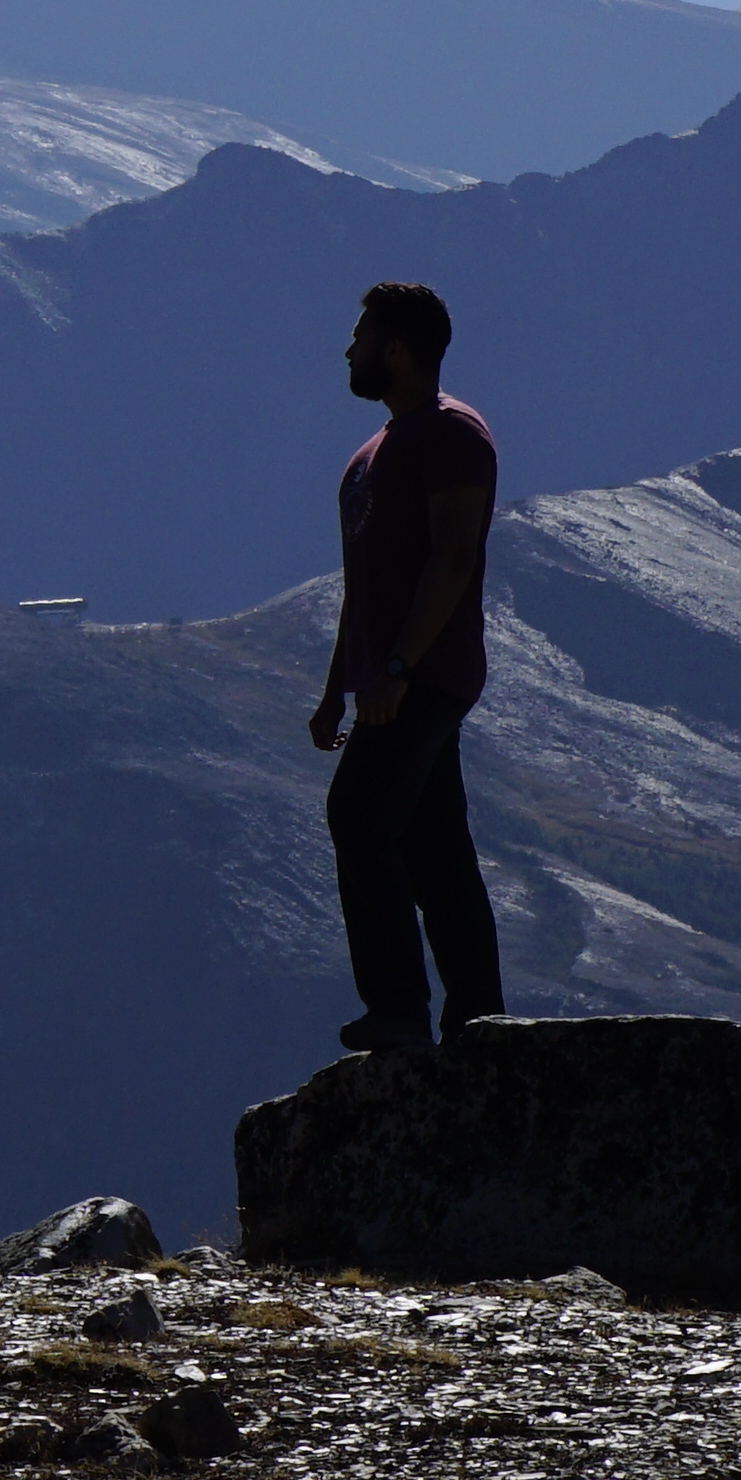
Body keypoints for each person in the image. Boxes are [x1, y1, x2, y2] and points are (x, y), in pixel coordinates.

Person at [308, 276, 503, 1056]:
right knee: (435, 851)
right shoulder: (373, 453)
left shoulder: (451, 433)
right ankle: (482, 1024)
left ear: (395, 348)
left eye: (359, 337)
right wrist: (335, 693)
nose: (348, 350)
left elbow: (453, 556)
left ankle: (396, 1009)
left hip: (423, 675)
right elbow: (367, 587)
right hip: (390, 677)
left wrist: (396, 667)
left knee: (358, 816)